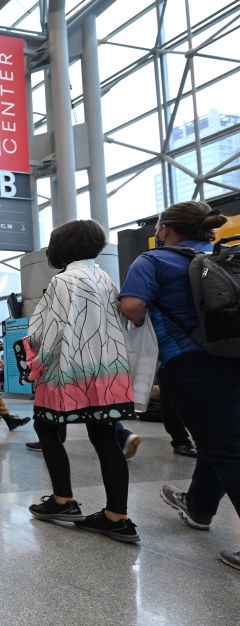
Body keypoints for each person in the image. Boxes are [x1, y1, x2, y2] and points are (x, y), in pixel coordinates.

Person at [120, 201, 240, 567]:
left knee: (226, 449)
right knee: (217, 439)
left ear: (165, 229)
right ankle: (200, 508)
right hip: (235, 357)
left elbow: (133, 306)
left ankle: (200, 506)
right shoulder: (226, 255)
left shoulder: (153, 260)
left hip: (190, 362)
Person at [21, 220, 138, 542]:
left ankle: (63, 500)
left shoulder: (64, 280)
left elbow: (50, 331)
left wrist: (36, 365)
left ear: (61, 247)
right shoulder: (105, 278)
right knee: (105, 438)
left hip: (67, 373)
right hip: (108, 373)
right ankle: (117, 515)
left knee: (46, 428)